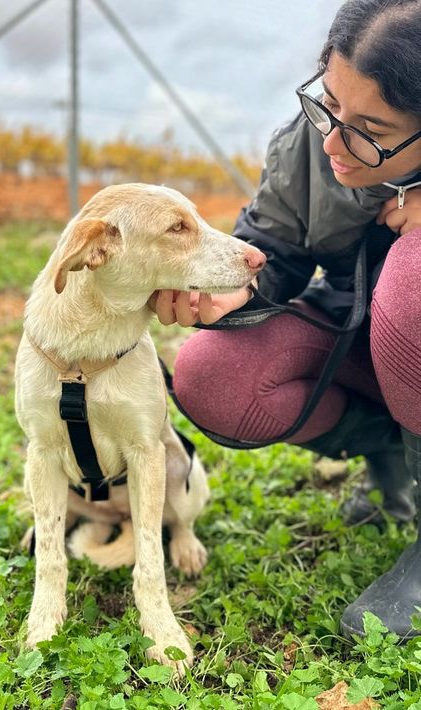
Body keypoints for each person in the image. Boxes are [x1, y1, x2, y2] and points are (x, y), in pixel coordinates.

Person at [151, 0, 421, 639]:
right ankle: (393, 460)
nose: (332, 142)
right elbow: (274, 250)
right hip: (363, 335)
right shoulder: (312, 144)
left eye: (371, 129)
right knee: (216, 375)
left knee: (411, 288)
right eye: (329, 102)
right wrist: (233, 292)